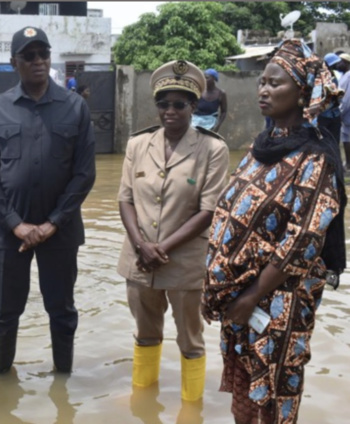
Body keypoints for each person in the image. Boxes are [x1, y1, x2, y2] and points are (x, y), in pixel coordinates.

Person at [203, 39, 346, 424]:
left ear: (302, 93)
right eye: (261, 82)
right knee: (246, 394)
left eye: (275, 83)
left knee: (275, 388)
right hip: (242, 300)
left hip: (279, 300)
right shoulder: (260, 146)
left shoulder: (316, 159)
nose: (263, 89)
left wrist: (251, 296)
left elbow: (302, 241)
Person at [0, 26, 96, 374]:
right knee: (5, 312)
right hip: (7, 233)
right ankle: (2, 381)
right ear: (15, 62)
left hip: (60, 232)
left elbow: (84, 174)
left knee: (62, 311)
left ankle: (63, 384)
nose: (38, 61)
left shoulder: (75, 107)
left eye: (43, 53)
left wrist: (51, 223)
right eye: (29, 56)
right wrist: (15, 224)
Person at [117, 59, 229, 402]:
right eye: (162, 103)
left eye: (179, 104)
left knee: (190, 341)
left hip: (184, 264)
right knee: (145, 334)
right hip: (140, 260)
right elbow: (125, 199)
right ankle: (142, 402)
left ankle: (190, 409)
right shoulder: (138, 145)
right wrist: (142, 246)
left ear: (194, 107)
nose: (169, 111)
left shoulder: (213, 149)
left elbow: (208, 211)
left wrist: (160, 248)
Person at [191, 68, 227, 132]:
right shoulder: (199, 91)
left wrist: (217, 126)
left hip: (210, 123)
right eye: (203, 77)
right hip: (195, 122)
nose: (204, 80)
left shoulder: (221, 94)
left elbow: (224, 112)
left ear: (214, 79)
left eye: (207, 78)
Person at [338, 53, 350, 170]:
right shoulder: (345, 75)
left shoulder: (349, 76)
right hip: (346, 113)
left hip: (347, 113)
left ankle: (348, 164)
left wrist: (340, 112)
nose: (338, 64)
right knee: (346, 138)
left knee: (347, 138)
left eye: (341, 62)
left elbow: (347, 98)